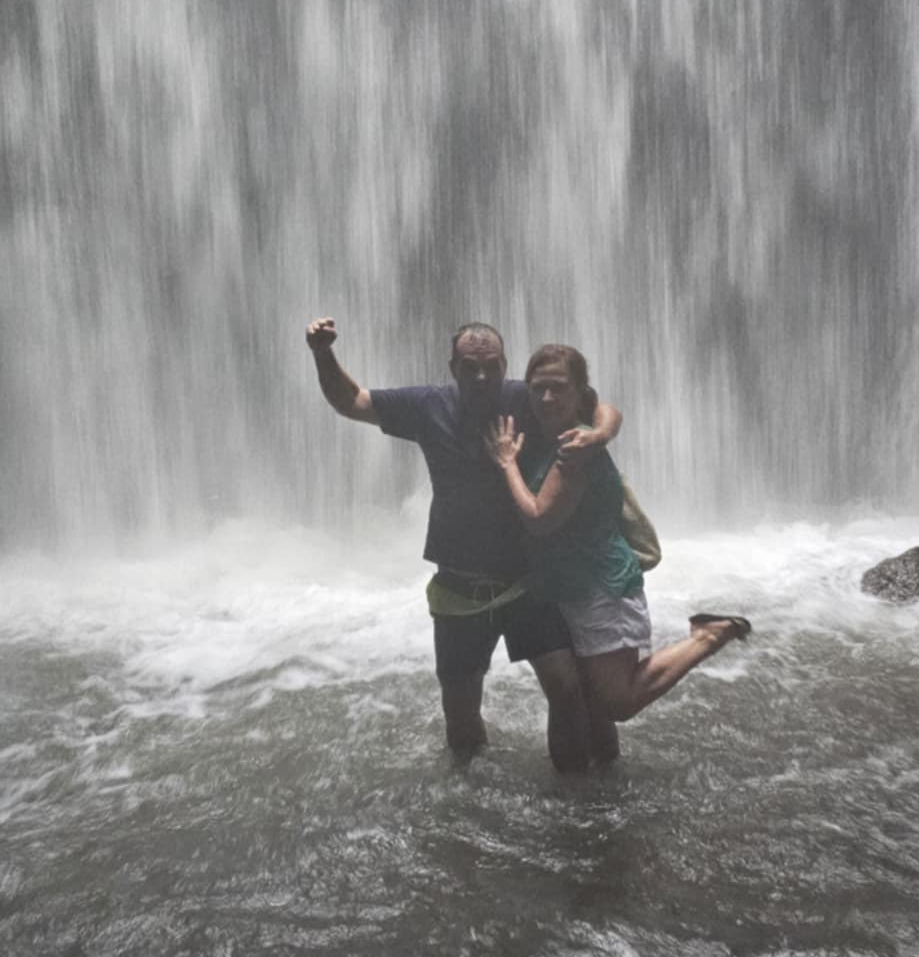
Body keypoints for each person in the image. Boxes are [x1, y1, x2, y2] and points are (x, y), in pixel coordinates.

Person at [305, 317, 624, 770]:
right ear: (452, 367)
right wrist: (322, 353)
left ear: (504, 366)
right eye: (470, 367)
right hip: (459, 584)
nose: (481, 377)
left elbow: (599, 407)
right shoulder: (427, 405)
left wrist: (601, 434)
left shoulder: (526, 398)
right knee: (460, 714)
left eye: (491, 367)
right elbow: (352, 402)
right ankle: (467, 805)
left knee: (566, 686)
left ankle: (574, 799)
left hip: (527, 579)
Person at [484, 343, 750, 724]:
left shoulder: (573, 448)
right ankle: (598, 773)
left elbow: (539, 518)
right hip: (572, 586)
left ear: (579, 392)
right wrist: (604, 431)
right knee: (595, 700)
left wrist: (508, 463)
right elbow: (609, 411)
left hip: (602, 586)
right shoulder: (561, 428)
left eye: (559, 386)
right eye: (538, 387)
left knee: (617, 702)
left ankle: (708, 636)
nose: (547, 396)